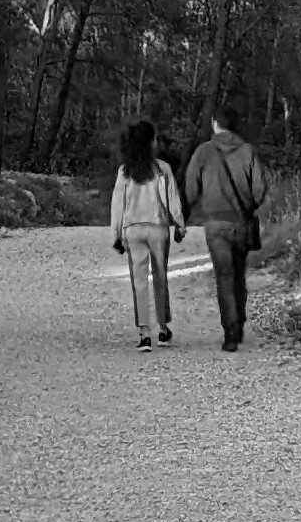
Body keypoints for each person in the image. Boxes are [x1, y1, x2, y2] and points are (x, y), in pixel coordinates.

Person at [182, 101, 270, 351]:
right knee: (239, 274)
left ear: (214, 124)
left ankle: (230, 331)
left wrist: (190, 209)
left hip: (214, 223)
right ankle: (239, 322)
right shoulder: (248, 152)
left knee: (224, 276)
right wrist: (249, 207)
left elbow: (190, 188)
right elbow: (260, 189)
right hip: (241, 221)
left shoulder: (203, 152)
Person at [105, 119, 183, 347]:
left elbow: (117, 204)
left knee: (138, 281)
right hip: (158, 229)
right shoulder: (162, 169)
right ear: (151, 142)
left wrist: (116, 234)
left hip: (133, 230)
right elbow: (172, 200)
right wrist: (180, 225)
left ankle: (144, 333)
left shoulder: (125, 171)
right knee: (160, 277)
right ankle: (163, 328)